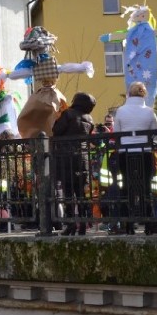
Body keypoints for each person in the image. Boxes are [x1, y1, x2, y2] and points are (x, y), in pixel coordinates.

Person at [115, 81, 157, 235]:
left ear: (129, 94)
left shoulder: (120, 111)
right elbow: (156, 134)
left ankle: (128, 223)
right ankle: (148, 222)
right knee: (145, 186)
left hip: (125, 152)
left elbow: (117, 132)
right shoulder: (149, 112)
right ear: (144, 94)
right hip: (144, 152)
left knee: (127, 186)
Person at [52, 92, 96, 235]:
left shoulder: (68, 114)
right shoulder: (89, 119)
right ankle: (83, 225)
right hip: (82, 159)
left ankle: (71, 225)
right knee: (81, 193)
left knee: (69, 193)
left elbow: (56, 131)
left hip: (66, 158)